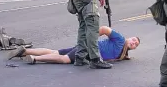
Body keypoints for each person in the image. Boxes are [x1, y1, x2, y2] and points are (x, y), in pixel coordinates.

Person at [7, 26, 140, 65]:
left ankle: (26, 51)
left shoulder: (122, 53)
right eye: (134, 40)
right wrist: (91, 39)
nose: (133, 43)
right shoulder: (121, 39)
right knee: (65, 59)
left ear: (132, 48)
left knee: (56, 52)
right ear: (129, 38)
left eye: (135, 45)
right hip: (90, 48)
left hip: (87, 47)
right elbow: (104, 29)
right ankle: (35, 59)